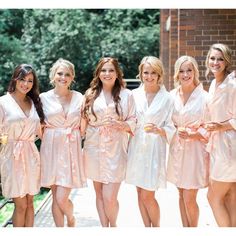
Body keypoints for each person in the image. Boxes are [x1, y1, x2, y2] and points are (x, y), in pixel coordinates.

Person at [81, 57, 136, 227]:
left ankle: (114, 226)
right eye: (103, 70)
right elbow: (83, 122)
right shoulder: (90, 94)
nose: (107, 73)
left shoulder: (127, 95)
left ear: (117, 73)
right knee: (99, 194)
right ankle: (105, 228)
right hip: (93, 148)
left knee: (110, 197)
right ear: (98, 73)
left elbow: (134, 120)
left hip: (116, 149)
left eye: (111, 70)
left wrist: (121, 124)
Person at [125, 56, 176, 227]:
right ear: (140, 73)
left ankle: (157, 228)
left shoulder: (167, 98)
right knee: (139, 192)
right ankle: (147, 228)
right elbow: (129, 120)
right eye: (146, 72)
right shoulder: (133, 95)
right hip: (137, 146)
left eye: (153, 72)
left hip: (155, 148)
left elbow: (172, 125)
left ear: (159, 74)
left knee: (148, 194)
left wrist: (160, 130)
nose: (149, 76)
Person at [40, 58, 86, 227]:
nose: (63, 77)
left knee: (62, 197)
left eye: (67, 74)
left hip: (71, 148)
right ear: (53, 75)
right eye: (60, 73)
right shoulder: (43, 98)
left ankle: (71, 219)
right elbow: (35, 122)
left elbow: (85, 123)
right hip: (51, 148)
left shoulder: (79, 98)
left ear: (72, 77)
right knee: (55, 195)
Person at [166, 56, 209, 227]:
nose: (185, 74)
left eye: (189, 70)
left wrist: (195, 134)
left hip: (195, 151)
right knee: (181, 194)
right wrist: (174, 129)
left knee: (190, 197)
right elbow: (166, 121)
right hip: (177, 148)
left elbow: (210, 126)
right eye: (182, 71)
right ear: (177, 73)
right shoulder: (171, 96)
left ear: (195, 72)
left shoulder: (205, 97)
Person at [0, 64, 45, 227]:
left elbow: (42, 132)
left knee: (30, 203)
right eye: (22, 79)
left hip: (31, 154)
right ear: (15, 79)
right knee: (21, 205)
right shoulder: (3, 102)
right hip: (11, 155)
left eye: (30, 81)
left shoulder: (34, 102)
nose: (26, 84)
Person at [204, 43, 236, 227]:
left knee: (213, 196)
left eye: (220, 59)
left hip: (228, 147)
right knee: (231, 196)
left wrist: (220, 126)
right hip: (219, 144)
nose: (215, 62)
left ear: (227, 61)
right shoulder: (214, 83)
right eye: (212, 58)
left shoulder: (232, 84)